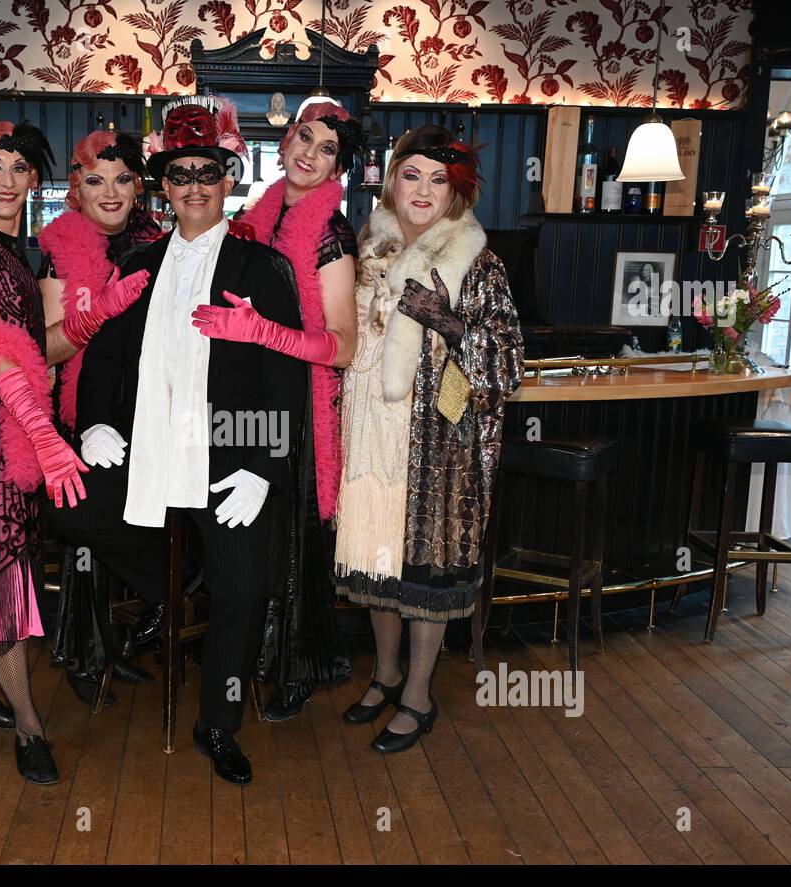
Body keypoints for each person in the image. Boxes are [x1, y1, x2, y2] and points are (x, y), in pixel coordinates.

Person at [47, 96, 309, 785]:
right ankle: (178, 587)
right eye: (180, 173)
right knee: (69, 506)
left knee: (247, 589)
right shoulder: (137, 259)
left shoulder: (262, 271)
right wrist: (96, 421)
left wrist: (262, 466)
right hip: (147, 450)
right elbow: (100, 354)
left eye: (207, 172)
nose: (194, 186)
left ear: (229, 179)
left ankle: (217, 722)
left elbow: (285, 377)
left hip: (229, 453)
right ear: (164, 184)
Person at [0, 120, 148, 783]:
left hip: (9, 426)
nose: (8, 180)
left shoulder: (20, 254)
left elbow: (39, 346)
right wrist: (43, 434)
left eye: (21, 169)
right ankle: (28, 724)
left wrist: (95, 313)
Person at [334, 126, 523, 754]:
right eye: (411, 174)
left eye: (437, 178)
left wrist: (445, 320)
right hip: (369, 428)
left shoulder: (477, 263)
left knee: (424, 567)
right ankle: (385, 673)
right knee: (377, 557)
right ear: (391, 181)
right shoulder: (368, 248)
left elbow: (505, 368)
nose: (422, 189)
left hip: (435, 443)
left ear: (456, 191)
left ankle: (418, 692)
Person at [196, 99, 362, 722]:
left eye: (324, 148)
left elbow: (343, 347)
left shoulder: (330, 232)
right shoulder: (262, 214)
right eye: (302, 136)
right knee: (262, 547)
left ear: (338, 166)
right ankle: (261, 660)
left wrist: (263, 333)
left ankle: (297, 668)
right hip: (258, 399)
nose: (307, 153)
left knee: (292, 547)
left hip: (307, 406)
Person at [36, 130, 162, 707]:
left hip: (142, 411)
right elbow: (48, 349)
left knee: (149, 510)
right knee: (82, 519)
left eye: (121, 179)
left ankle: (113, 644)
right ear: (76, 192)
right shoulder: (59, 250)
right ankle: (88, 652)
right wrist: (101, 313)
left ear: (138, 186)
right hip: (70, 412)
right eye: (95, 180)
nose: (109, 192)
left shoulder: (159, 244)